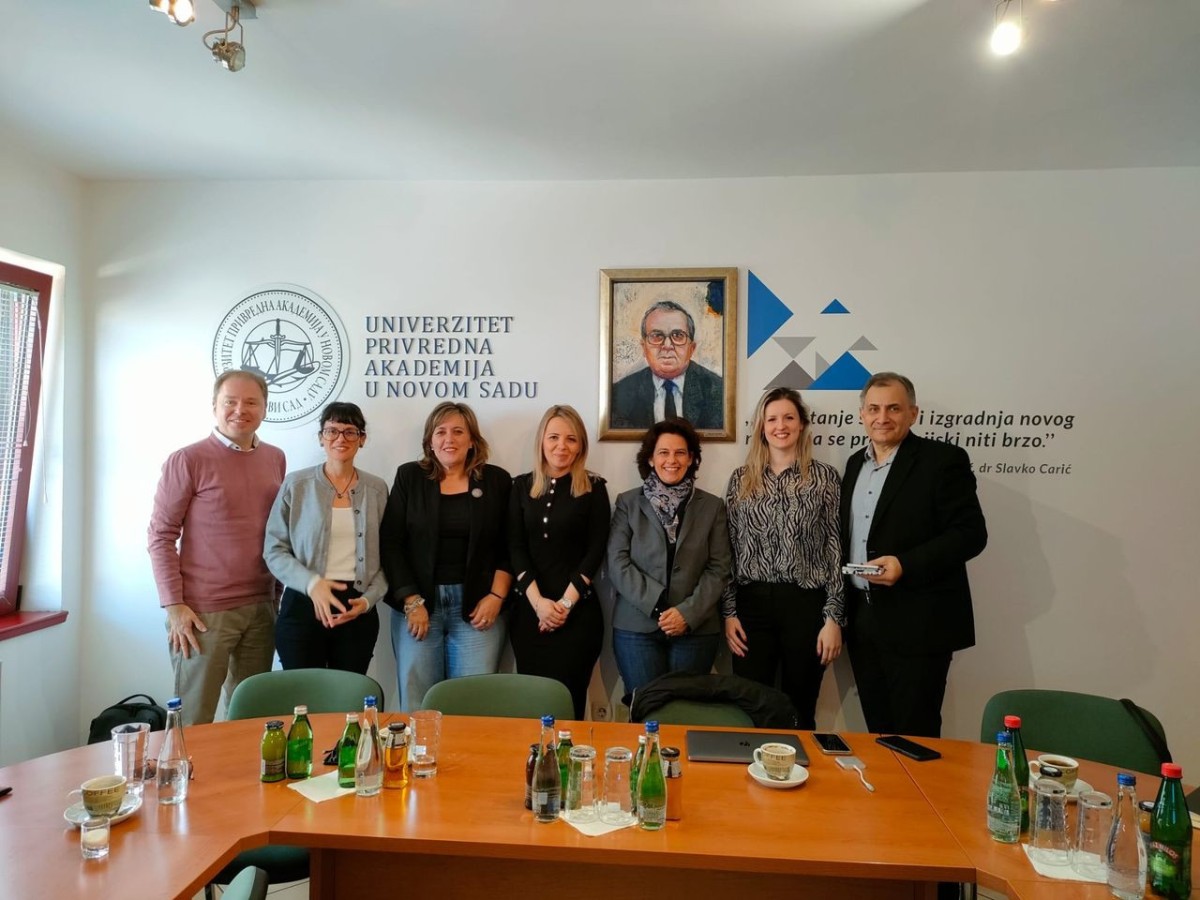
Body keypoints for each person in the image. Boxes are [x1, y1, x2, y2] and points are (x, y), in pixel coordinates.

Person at [841, 372, 988, 738]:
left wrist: (904, 565)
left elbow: (971, 535)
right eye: (874, 409)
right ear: (861, 414)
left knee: (915, 736)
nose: (882, 417)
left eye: (893, 408)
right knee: (878, 734)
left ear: (913, 413)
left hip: (919, 623)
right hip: (864, 621)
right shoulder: (854, 464)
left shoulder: (942, 461)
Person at [147, 369, 286, 725]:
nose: (241, 410)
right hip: (203, 614)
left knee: (251, 719)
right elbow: (161, 535)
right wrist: (174, 606)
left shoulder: (275, 458)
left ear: (265, 408)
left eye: (251, 402)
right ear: (214, 406)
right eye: (230, 402)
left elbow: (275, 530)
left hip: (261, 607)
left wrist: (276, 594)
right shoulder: (188, 459)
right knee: (193, 722)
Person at [722, 387, 844, 730]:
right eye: (772, 419)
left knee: (800, 707)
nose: (781, 426)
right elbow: (729, 549)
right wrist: (729, 613)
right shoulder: (741, 479)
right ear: (761, 427)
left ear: (802, 424)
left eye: (789, 417)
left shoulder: (824, 478)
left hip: (805, 604)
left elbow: (835, 548)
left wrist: (834, 618)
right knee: (751, 706)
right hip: (751, 605)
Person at [379, 402, 513, 711]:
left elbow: (510, 544)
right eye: (440, 432)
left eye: (458, 432)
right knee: (418, 704)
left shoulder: (496, 480)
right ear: (430, 441)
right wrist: (411, 600)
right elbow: (391, 543)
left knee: (472, 704)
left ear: (472, 440)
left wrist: (496, 597)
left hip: (478, 606)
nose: (449, 439)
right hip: (419, 605)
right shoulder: (409, 477)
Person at [607, 418, 731, 697]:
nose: (671, 460)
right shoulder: (628, 502)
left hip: (695, 628)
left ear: (691, 459)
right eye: (663, 452)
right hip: (636, 628)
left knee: (686, 711)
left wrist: (687, 613)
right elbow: (617, 562)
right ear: (651, 459)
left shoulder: (712, 506)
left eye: (680, 453)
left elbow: (719, 567)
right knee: (645, 708)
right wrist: (658, 606)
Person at [264, 402, 388, 674]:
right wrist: (312, 584)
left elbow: (389, 555)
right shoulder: (296, 485)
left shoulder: (377, 489)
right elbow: (274, 549)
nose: (340, 438)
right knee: (302, 693)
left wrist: (368, 601)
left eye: (350, 431)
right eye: (332, 431)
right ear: (321, 437)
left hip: (357, 608)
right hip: (303, 603)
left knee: (349, 694)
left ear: (362, 439)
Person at [508, 405, 611, 718]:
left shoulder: (594, 488)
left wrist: (564, 606)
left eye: (571, 439)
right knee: (532, 707)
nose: (561, 446)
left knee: (569, 706)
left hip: (578, 616)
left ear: (581, 446)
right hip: (529, 615)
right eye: (553, 437)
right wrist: (539, 604)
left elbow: (595, 551)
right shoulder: (520, 486)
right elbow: (515, 548)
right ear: (542, 440)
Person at [610, 300, 724, 430]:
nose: (667, 345)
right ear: (644, 347)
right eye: (657, 336)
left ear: (691, 348)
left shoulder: (718, 392)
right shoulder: (618, 394)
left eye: (678, 335)